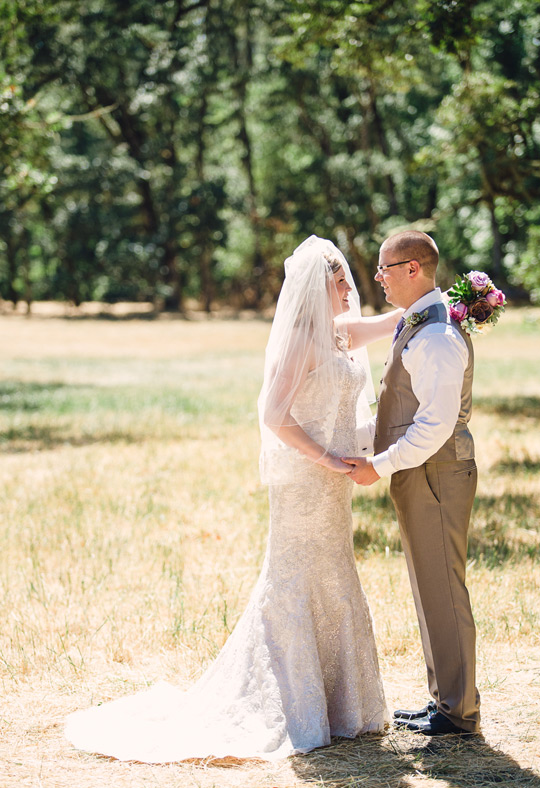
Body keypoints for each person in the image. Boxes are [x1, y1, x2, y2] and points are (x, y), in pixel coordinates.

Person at [66, 235, 400, 761]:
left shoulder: (339, 335)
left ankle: (341, 707)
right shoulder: (300, 342)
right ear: (316, 288)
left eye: (346, 283)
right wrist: (324, 458)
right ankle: (295, 706)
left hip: (336, 484)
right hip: (306, 481)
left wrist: (444, 305)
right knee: (293, 579)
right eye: (339, 283)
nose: (348, 291)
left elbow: (389, 324)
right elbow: (274, 415)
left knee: (334, 575)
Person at [343, 230, 480, 737]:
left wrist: (380, 465)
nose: (377, 277)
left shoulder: (438, 337)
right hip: (423, 474)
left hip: (436, 473)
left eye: (384, 268)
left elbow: (435, 426)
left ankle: (459, 712)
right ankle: (445, 701)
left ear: (413, 269)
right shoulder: (417, 318)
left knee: (443, 588)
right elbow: (355, 332)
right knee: (430, 587)